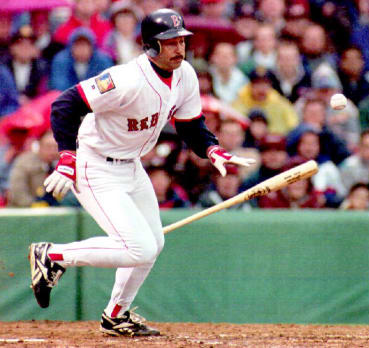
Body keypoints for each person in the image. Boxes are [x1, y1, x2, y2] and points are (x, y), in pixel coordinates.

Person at [27, 8, 255, 337]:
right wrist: (67, 157)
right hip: (96, 165)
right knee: (140, 248)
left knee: (154, 244)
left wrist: (211, 149)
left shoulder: (185, 74)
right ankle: (52, 255)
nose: (179, 48)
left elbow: (190, 125)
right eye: (170, 42)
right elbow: (65, 105)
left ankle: (116, 314)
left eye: (182, 41)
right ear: (151, 46)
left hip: (131, 166)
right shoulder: (125, 79)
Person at [232, 67, 298, 136]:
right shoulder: (239, 104)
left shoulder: (281, 105)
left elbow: (293, 126)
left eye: (265, 84)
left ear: (270, 86)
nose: (261, 89)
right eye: (257, 84)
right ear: (250, 86)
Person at [49, 27, 114, 91]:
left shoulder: (102, 61)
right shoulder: (61, 60)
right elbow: (59, 87)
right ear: (71, 47)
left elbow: (106, 89)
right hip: (69, 99)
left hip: (95, 99)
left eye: (85, 45)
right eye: (78, 45)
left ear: (92, 47)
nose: (82, 49)